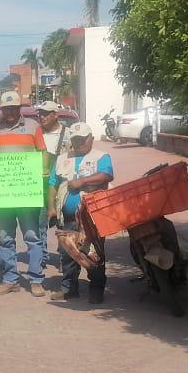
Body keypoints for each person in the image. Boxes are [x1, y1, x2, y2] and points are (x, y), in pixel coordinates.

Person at [0, 90, 48, 297]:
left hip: (27, 193)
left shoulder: (33, 127)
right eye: (7, 109)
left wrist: (43, 172)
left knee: (32, 237)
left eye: (14, 108)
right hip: (3, 195)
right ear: (1, 110)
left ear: (20, 109)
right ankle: (10, 279)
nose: (11, 112)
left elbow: (42, 153)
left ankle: (36, 279)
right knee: (5, 239)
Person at [50, 122, 113, 303]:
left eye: (83, 140)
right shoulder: (62, 158)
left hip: (92, 217)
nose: (79, 144)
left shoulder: (101, 156)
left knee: (94, 253)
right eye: (76, 140)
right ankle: (69, 288)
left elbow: (107, 175)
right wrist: (51, 208)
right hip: (67, 216)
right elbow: (52, 185)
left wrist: (82, 182)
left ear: (91, 138)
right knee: (67, 253)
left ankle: (96, 289)